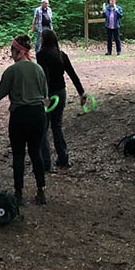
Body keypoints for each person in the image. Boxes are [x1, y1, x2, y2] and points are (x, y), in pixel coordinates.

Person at [0, 35, 49, 206]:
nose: (10, 53)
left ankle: (19, 194)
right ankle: (41, 192)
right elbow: (45, 95)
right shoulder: (38, 69)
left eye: (12, 50)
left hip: (20, 116)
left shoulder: (12, 71)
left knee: (18, 155)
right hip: (39, 116)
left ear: (18, 51)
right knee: (36, 153)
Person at [36, 30, 86, 171]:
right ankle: (63, 158)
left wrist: (45, 96)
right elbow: (73, 75)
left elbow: (44, 76)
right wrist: (81, 93)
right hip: (61, 93)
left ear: (44, 40)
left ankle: (46, 163)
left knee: (43, 128)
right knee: (57, 126)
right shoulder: (61, 55)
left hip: (49, 95)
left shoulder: (41, 55)